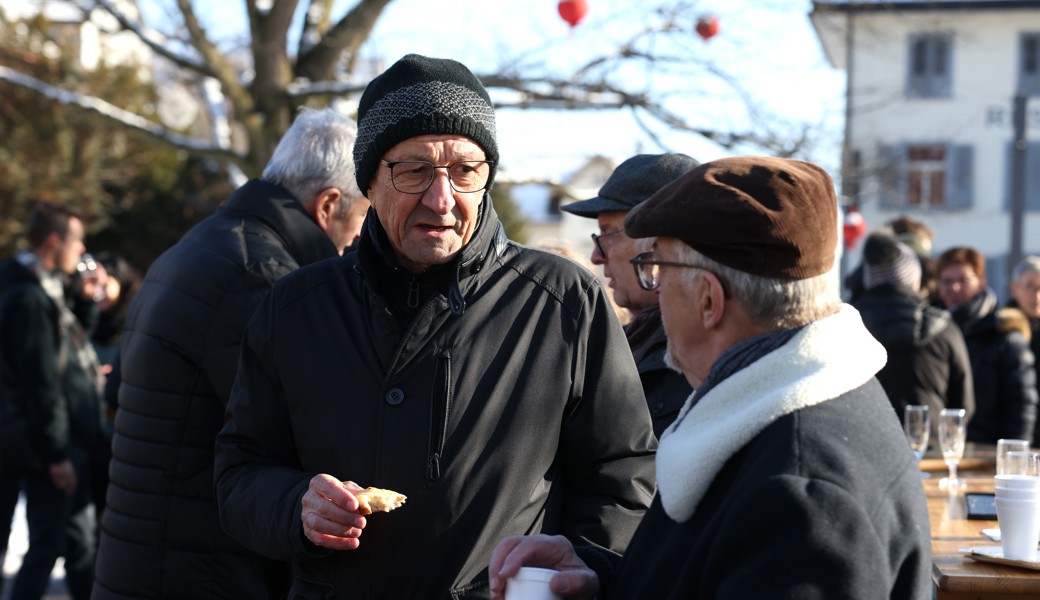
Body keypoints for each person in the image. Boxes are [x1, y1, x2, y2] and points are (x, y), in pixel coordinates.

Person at [214, 53, 656, 599]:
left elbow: (625, 474)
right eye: (414, 170)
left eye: (465, 171)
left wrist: (575, 566)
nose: (442, 198)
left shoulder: (563, 301)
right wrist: (295, 505)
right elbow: (240, 473)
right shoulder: (297, 307)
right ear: (370, 181)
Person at [489, 156, 933, 599]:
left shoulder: (800, 494)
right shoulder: (803, 406)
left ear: (708, 299)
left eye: (657, 270)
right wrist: (601, 578)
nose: (656, 290)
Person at [92, 107, 370, 600]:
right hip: (200, 567)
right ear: (329, 205)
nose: (358, 239)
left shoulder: (200, 246)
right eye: (363, 215)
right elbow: (304, 436)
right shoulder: (262, 278)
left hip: (147, 553)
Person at [0, 202, 108, 600]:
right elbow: (41, 380)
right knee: (51, 545)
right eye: (76, 241)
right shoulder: (30, 296)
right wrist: (57, 452)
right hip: (42, 444)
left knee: (76, 543)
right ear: (53, 241)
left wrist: (86, 302)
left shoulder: (42, 286)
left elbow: (66, 352)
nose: (81, 251)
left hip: (47, 439)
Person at [561, 153, 698, 438]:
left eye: (607, 234)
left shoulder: (697, 358)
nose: (596, 257)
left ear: (657, 243)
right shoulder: (619, 343)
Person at [852, 232, 974, 440]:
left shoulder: (845, 327)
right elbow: (963, 405)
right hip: (929, 446)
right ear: (915, 281)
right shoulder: (943, 328)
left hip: (861, 445)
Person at [936, 246, 1037, 443]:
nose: (954, 288)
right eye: (947, 281)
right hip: (942, 447)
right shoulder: (929, 332)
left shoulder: (1004, 335)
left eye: (964, 280)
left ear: (981, 283)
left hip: (988, 450)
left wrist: (1014, 453)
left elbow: (1022, 404)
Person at [1009, 255, 1040, 443]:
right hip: (1011, 436)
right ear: (1014, 289)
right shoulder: (1001, 331)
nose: (1037, 296)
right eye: (1030, 287)